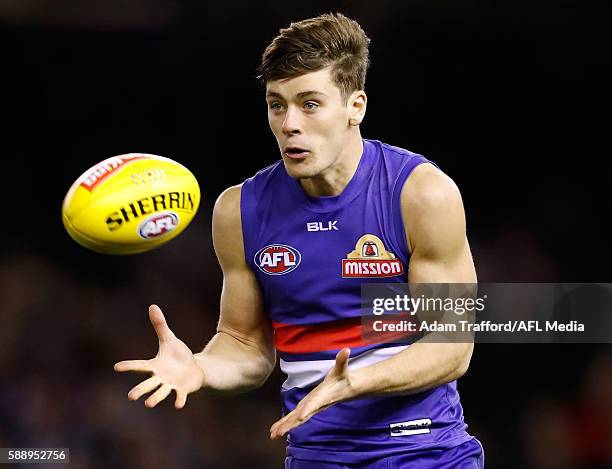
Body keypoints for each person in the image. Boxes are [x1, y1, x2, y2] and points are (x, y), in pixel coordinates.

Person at [114, 13, 484, 468]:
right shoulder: (239, 212)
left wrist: (357, 382)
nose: (289, 123)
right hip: (316, 456)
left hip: (425, 452)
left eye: (310, 104)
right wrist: (201, 368)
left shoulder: (420, 194)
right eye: (277, 104)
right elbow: (246, 346)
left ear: (356, 107)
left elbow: (453, 346)